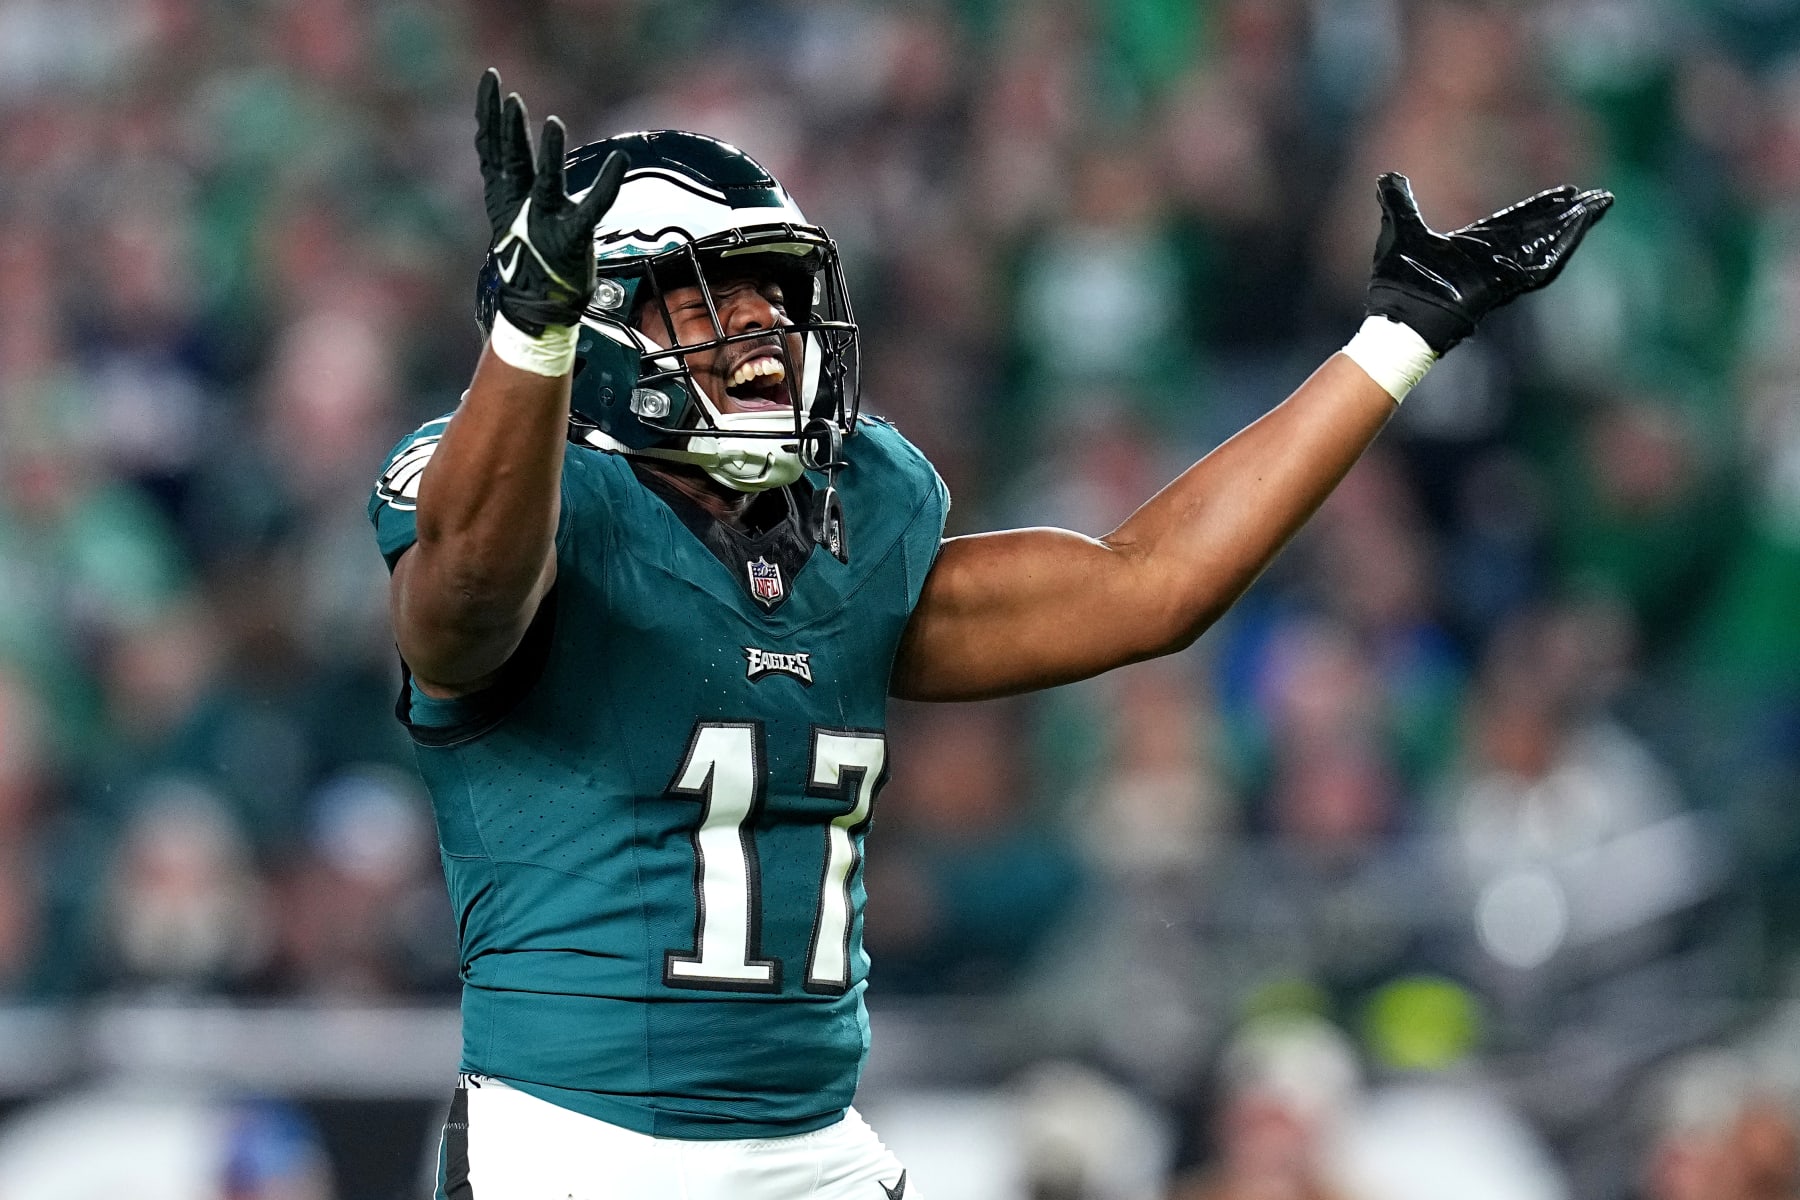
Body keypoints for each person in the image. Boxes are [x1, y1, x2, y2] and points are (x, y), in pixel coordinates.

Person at [368, 68, 1611, 1200]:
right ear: (604, 325)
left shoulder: (856, 530)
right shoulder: (517, 510)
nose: (764, 333)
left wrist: (1399, 333)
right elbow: (464, 604)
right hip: (584, 1154)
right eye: (712, 302)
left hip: (810, 1149)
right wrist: (529, 331)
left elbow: (1148, 586)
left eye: (776, 297)